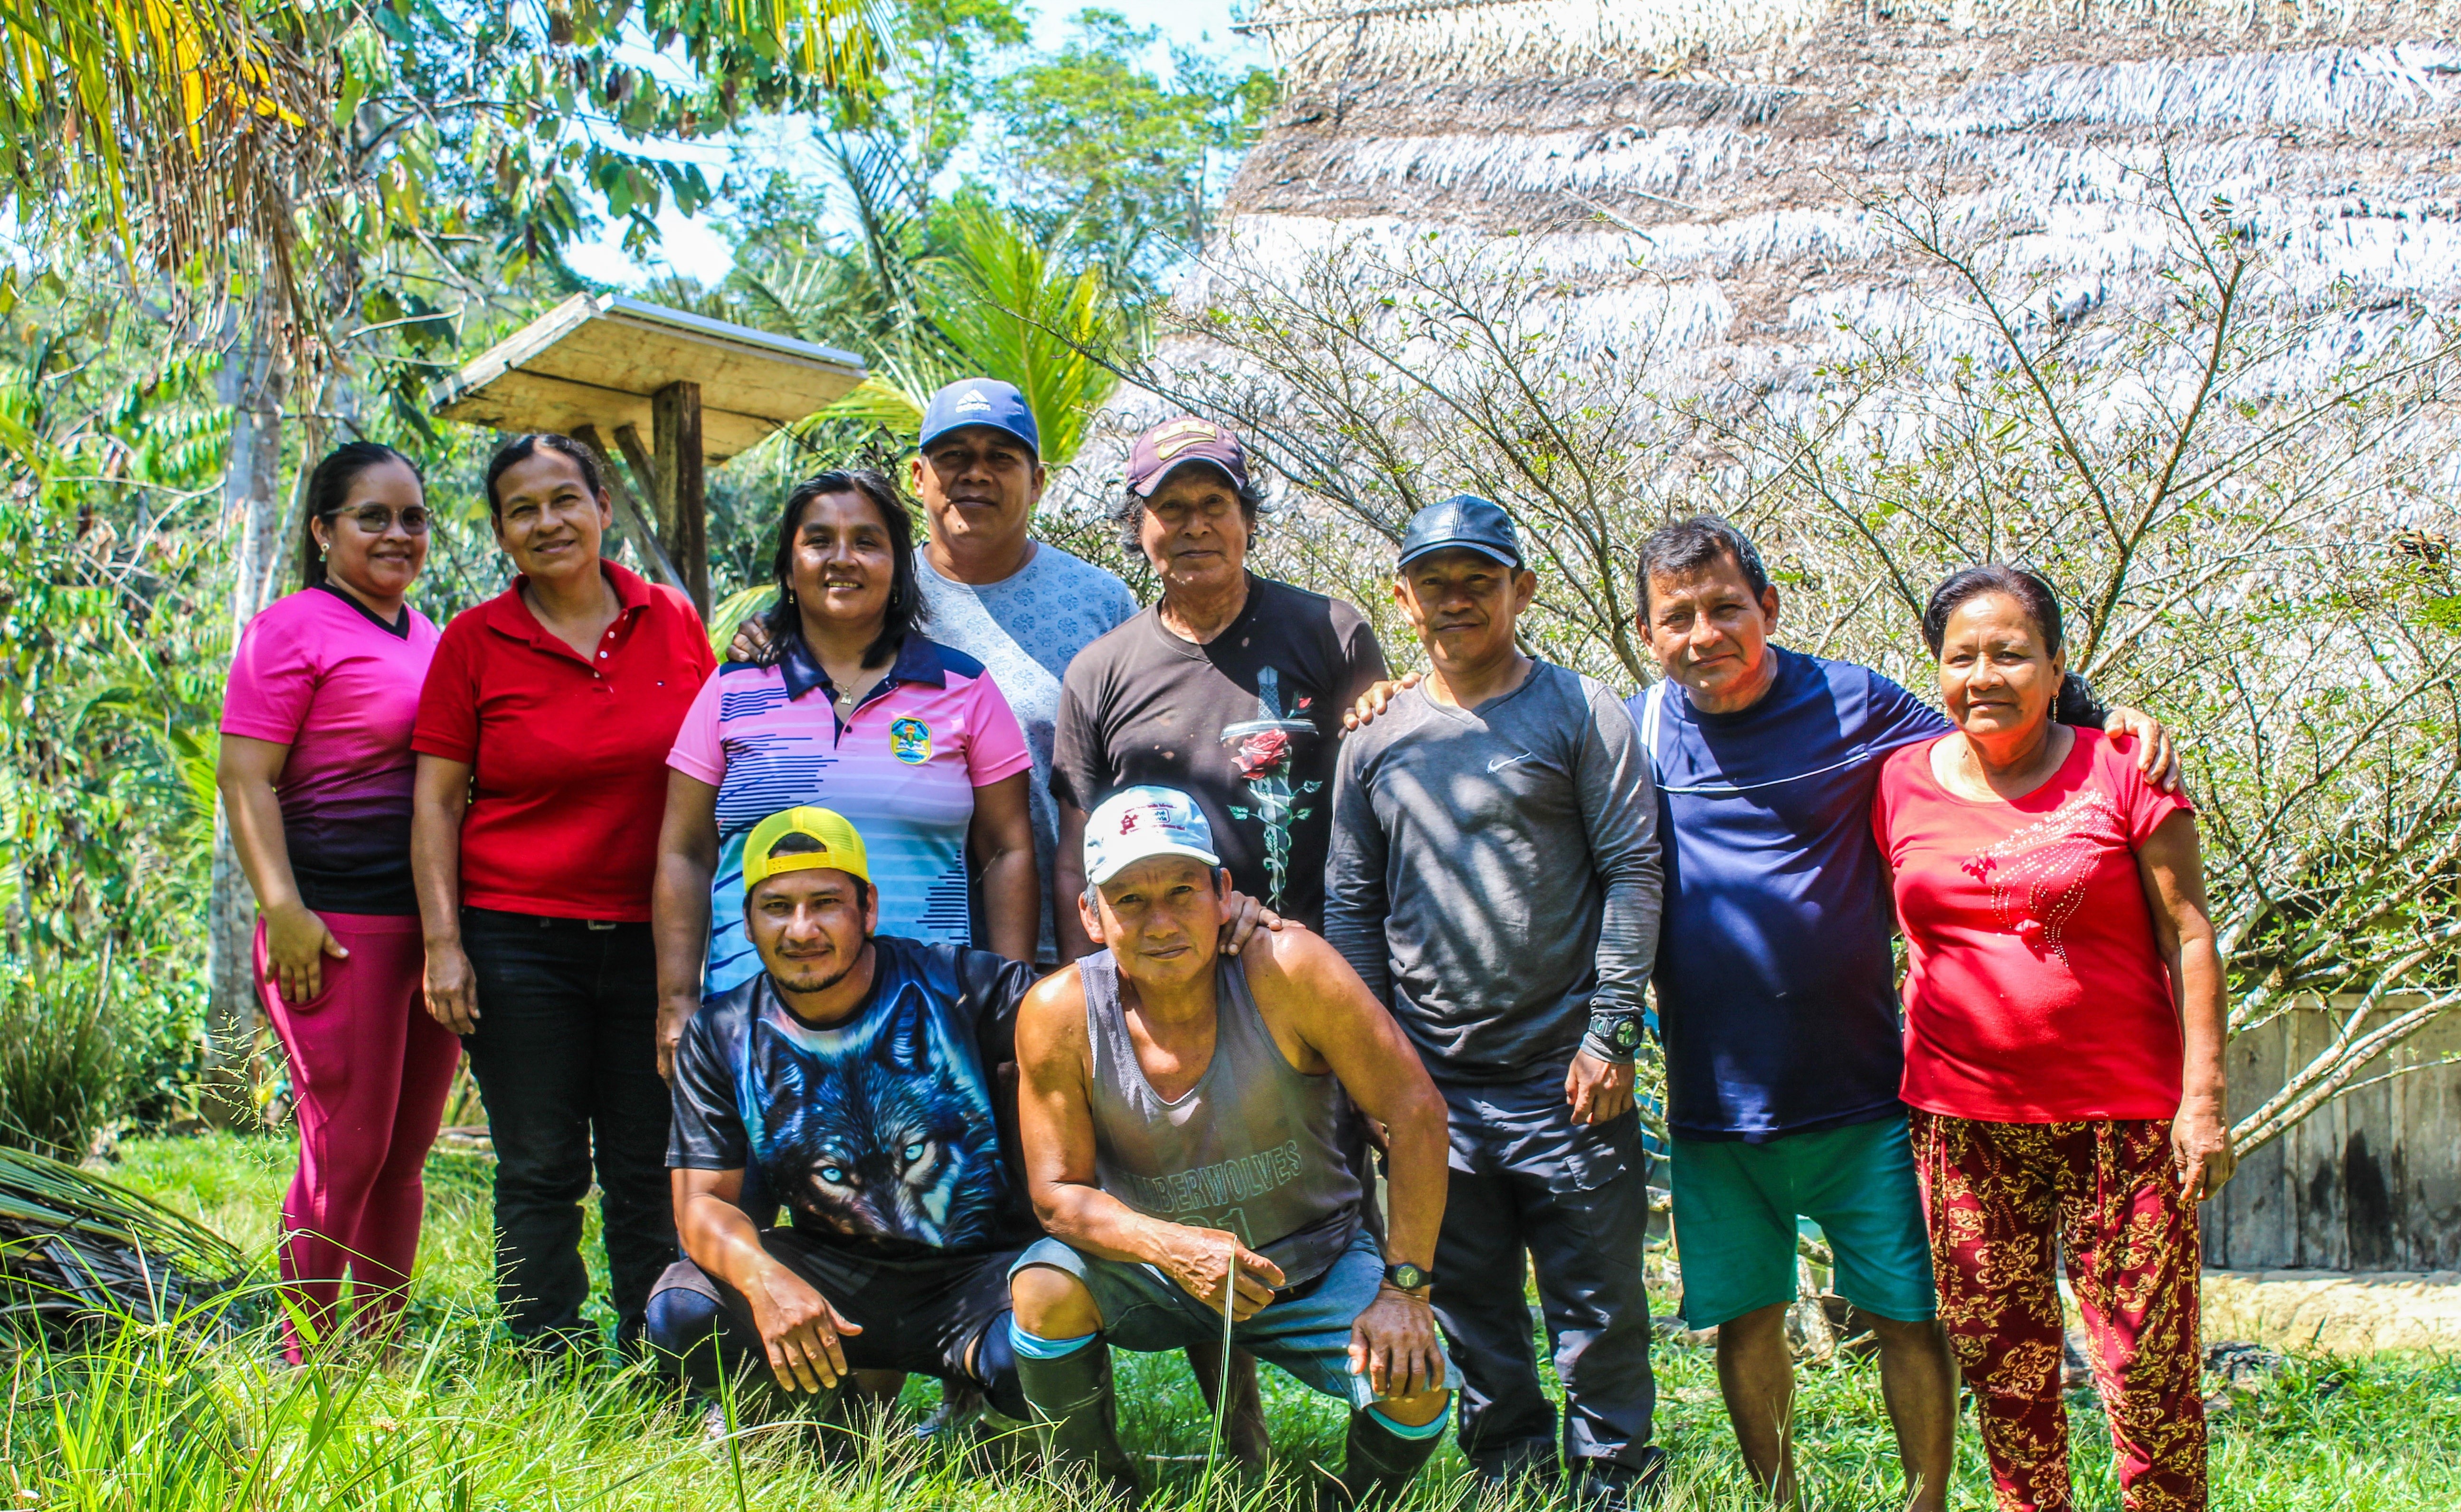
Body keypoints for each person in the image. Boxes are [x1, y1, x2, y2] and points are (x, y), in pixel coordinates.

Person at [1622, 516, 2180, 1512]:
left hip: (1869, 1089)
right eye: (1678, 617)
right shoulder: (1633, 732)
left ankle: (1925, 1501)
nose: (1704, 633)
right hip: (1716, 1099)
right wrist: (1399, 696)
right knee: (1744, 1319)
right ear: (1645, 632)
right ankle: (1780, 1504)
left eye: (1725, 607)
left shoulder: (1857, 703)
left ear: (1768, 608)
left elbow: (1996, 724)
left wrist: (2109, 721)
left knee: (1909, 1314)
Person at [1325, 496, 1666, 1506]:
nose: (1457, 599)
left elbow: (1633, 868)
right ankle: (1508, 1470)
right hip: (1434, 1087)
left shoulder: (1578, 710)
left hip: (1568, 1072)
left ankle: (1613, 1477)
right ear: (1403, 598)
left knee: (1598, 1305)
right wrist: (1379, 1072)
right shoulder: (1374, 736)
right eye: (1435, 582)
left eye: (1480, 580)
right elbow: (1351, 903)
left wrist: (1611, 1030)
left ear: (1521, 589)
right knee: (1469, 1302)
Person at [1871, 565, 2232, 1512]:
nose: (1982, 675)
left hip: (2124, 1122)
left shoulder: (2124, 767)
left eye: (2009, 653)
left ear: (2056, 664)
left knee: (2147, 1371)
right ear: (1936, 668)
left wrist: (2201, 1102)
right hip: (1961, 1126)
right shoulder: (1899, 779)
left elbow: (2188, 934)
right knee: (2004, 1371)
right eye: (1960, 656)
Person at [1010, 786, 1456, 1503]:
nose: (1160, 922)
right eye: (1129, 900)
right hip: (1152, 1269)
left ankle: (1348, 1499)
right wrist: (1170, 1247)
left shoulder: (1287, 967)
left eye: (1181, 891)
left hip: (1311, 1260)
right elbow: (1057, 1196)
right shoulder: (1058, 1012)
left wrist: (1406, 1291)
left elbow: (1418, 1115)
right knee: (1043, 1288)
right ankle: (1097, 1489)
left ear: (1223, 892)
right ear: (1091, 914)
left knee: (1416, 1384)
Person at [411, 432, 715, 1353]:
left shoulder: (670, 618)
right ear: (501, 531)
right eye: (522, 508)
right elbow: (434, 800)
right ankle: (544, 1341)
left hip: (652, 943)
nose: (547, 521)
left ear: (602, 508)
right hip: (516, 939)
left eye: (564, 499)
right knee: (540, 1161)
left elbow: (711, 767)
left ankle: (653, 1342)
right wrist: (443, 943)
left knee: (645, 1159)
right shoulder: (474, 640)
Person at [648, 807, 1041, 1424]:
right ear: (747, 922)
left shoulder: (968, 986)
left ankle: (1006, 1432)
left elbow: (1092, 1025)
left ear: (868, 908)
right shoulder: (722, 1033)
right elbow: (701, 1205)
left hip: (982, 1276)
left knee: (1044, 1334)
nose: (801, 929)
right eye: (776, 906)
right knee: (685, 1306)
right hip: (837, 1276)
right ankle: (819, 1431)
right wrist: (763, 1277)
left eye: (826, 903)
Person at [653, 468, 1038, 1075]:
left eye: (866, 541)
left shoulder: (965, 688)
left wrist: (1013, 1004)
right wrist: (677, 1001)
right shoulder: (729, 691)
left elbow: (1008, 850)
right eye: (818, 541)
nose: (842, 558)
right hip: (754, 1033)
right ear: (788, 568)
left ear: (898, 566)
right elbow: (684, 852)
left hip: (929, 1027)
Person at [216, 442, 459, 1361]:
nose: (398, 534)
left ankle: (380, 1352)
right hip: (332, 929)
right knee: (346, 1150)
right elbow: (245, 778)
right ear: (324, 531)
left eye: (414, 517)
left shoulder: (429, 634)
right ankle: (305, 1360)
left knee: (402, 1155)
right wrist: (284, 908)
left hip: (427, 933)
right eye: (373, 516)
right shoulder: (289, 629)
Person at [1052, 416, 1389, 952]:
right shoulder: (1098, 673)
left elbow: (1382, 820)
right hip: (1163, 971)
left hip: (1314, 969)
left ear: (1248, 519)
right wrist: (1091, 985)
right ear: (1138, 527)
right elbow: (1077, 861)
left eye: (1214, 503)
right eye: (1171, 508)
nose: (1196, 526)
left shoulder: (1331, 633)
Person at [904, 378, 1140, 972]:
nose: (976, 474)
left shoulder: (1100, 603)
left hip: (1068, 946)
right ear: (918, 477)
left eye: (1000, 458)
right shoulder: (877, 599)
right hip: (902, 944)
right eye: (953, 456)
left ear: (1037, 482)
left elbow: (1135, 769)